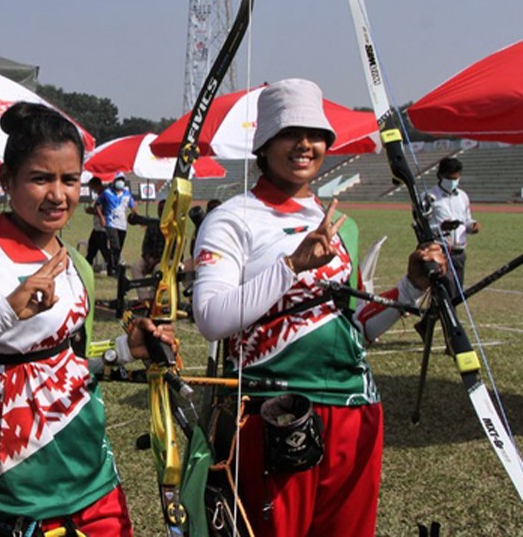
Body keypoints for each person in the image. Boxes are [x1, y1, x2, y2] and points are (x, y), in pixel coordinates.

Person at [0, 101, 176, 536]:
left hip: (96, 483)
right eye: (40, 178)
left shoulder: (67, 260)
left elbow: (59, 363)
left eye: (70, 180)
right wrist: (5, 311)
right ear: (7, 179)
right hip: (23, 500)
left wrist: (124, 350)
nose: (58, 194)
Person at [191, 78, 446, 537]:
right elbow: (211, 319)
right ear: (266, 143)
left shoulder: (338, 224)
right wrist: (292, 265)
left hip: (356, 407)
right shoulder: (231, 218)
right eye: (291, 133)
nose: (305, 144)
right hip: (280, 409)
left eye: (316, 134)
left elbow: (353, 326)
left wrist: (410, 286)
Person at [427, 156, 481, 300]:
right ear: (439, 176)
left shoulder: (462, 196)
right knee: (448, 292)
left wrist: (472, 225)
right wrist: (441, 227)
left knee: (456, 295)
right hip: (441, 251)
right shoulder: (429, 197)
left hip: (459, 253)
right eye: (449, 178)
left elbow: (466, 219)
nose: (453, 182)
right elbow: (423, 227)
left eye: (456, 178)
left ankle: (427, 321)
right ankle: (453, 321)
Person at [97, 171, 135, 276]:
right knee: (115, 246)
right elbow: (97, 205)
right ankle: (114, 269)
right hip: (111, 223)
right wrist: (102, 218)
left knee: (118, 249)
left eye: (122, 180)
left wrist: (137, 218)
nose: (121, 182)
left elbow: (133, 207)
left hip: (122, 225)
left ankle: (111, 267)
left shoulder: (127, 194)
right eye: (119, 180)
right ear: (114, 181)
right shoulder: (107, 193)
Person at [128, 199, 166, 301]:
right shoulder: (153, 225)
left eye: (163, 209)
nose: (161, 212)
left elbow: (172, 252)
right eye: (159, 209)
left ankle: (154, 297)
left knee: (158, 269)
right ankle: (144, 297)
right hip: (151, 259)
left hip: (166, 261)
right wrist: (147, 258)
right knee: (136, 267)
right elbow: (145, 246)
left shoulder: (174, 228)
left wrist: (156, 261)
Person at [84, 177, 111, 272]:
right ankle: (86, 266)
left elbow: (106, 211)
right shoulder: (99, 196)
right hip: (97, 228)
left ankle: (113, 267)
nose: (93, 190)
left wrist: (92, 211)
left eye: (93, 188)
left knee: (104, 249)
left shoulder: (105, 195)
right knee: (92, 248)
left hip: (103, 228)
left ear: (97, 185)